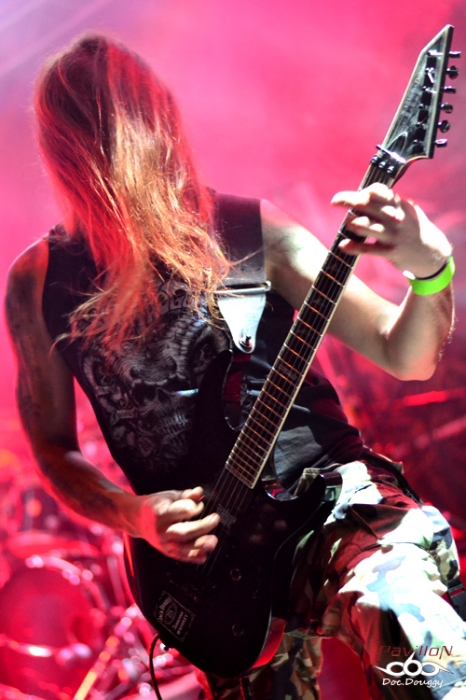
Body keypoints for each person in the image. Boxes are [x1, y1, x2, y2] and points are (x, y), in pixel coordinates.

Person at [5, 33, 466, 700]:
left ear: (159, 120)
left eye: (127, 123)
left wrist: (430, 268)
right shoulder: (39, 282)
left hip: (328, 501)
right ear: (64, 148)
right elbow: (53, 449)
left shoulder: (252, 231)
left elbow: (405, 354)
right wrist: (135, 516)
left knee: (402, 608)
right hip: (211, 572)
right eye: (95, 131)